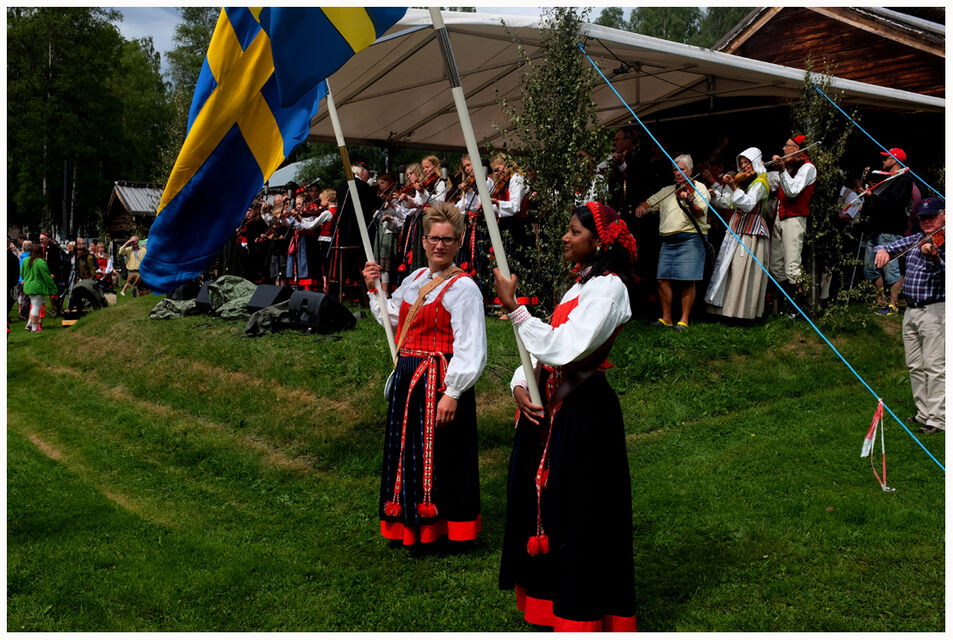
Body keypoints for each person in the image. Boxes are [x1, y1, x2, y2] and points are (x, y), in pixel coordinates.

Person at [493, 201, 638, 631]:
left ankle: (581, 612)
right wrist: (521, 384)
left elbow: (566, 347)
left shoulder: (610, 290)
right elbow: (546, 351)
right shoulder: (580, 286)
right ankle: (547, 603)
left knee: (579, 512)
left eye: (574, 231)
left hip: (583, 413)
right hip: (553, 409)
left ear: (599, 241)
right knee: (548, 506)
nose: (565, 237)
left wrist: (516, 309)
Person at [362, 201, 486, 552]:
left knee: (441, 454)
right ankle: (408, 521)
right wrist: (374, 287)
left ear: (458, 243)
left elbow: (471, 346)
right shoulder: (415, 279)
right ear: (424, 241)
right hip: (408, 379)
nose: (439, 245)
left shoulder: (464, 288)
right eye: (434, 238)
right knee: (408, 451)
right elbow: (392, 317)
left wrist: (453, 392)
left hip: (438, 380)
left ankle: (444, 529)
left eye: (447, 240)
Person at [874, 197, 944, 434]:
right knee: (915, 365)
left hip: (935, 310)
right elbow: (889, 246)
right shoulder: (916, 238)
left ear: (944, 215)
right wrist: (882, 250)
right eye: (923, 218)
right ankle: (923, 413)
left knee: (935, 366)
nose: (926, 222)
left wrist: (934, 257)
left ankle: (938, 419)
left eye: (932, 217)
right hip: (911, 310)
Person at [635, 154, 710, 330]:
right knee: (662, 279)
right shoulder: (667, 190)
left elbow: (700, 212)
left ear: (690, 170)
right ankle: (667, 318)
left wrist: (689, 201)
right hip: (668, 241)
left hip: (690, 238)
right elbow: (649, 202)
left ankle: (684, 320)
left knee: (688, 280)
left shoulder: (699, 188)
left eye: (681, 169)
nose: (677, 173)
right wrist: (642, 207)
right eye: (675, 170)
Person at [705, 147, 771, 321]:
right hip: (736, 229)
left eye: (747, 162)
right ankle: (725, 310)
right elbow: (729, 203)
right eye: (742, 163)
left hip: (751, 233)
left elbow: (748, 204)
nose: (744, 166)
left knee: (743, 269)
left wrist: (733, 186)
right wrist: (715, 197)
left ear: (755, 161)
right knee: (730, 269)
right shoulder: (744, 183)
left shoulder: (761, 182)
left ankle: (743, 313)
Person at [861, 147, 915, 316]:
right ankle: (880, 300)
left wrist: (872, 197)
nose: (883, 161)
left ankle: (893, 305)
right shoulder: (887, 179)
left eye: (886, 158)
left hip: (891, 230)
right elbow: (879, 202)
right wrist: (868, 200)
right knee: (870, 268)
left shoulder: (904, 180)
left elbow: (895, 204)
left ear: (895, 160)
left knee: (891, 270)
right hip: (876, 229)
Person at [768, 134, 816, 312]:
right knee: (775, 265)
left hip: (795, 219)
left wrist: (782, 171)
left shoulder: (808, 167)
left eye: (787, 146)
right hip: (780, 217)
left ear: (796, 149)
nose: (783, 149)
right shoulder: (789, 167)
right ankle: (781, 307)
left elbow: (793, 191)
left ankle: (796, 310)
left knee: (792, 266)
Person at [20, 241, 58, 332]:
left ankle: (29, 325)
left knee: (34, 306)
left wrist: (28, 280)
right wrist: (54, 289)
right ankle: (34, 328)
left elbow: (22, 273)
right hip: (37, 288)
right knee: (36, 308)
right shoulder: (41, 262)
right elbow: (47, 277)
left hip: (28, 286)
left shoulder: (25, 260)